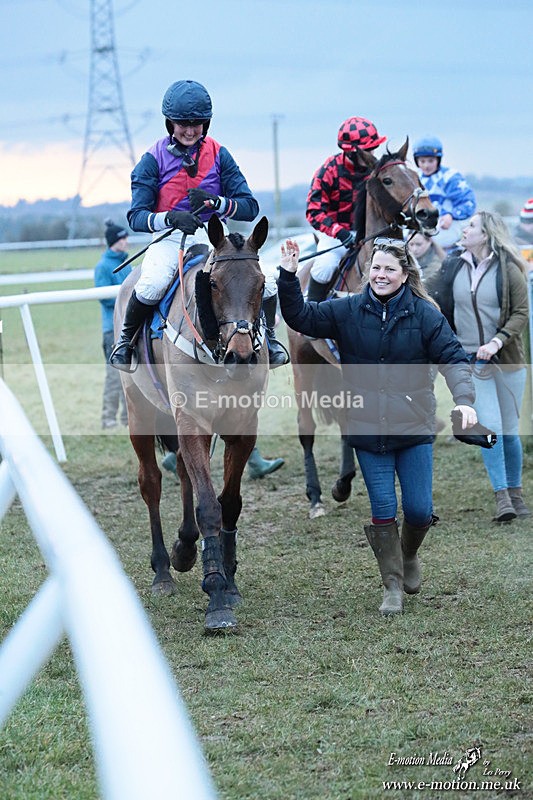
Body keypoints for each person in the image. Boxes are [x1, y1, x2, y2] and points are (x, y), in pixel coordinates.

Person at [277, 237, 477, 616]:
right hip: (367, 430)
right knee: (383, 507)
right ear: (367, 272)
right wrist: (288, 277)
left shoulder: (425, 314)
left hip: (414, 425)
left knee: (419, 510)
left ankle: (408, 553)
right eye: (376, 268)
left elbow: (453, 357)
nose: (381, 275)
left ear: (404, 275)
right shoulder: (348, 309)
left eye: (389, 269)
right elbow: (301, 318)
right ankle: (392, 586)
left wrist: (465, 400)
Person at [110, 79, 287, 370]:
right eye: (183, 124)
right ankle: (125, 342)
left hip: (216, 238)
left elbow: (249, 207)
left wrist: (217, 202)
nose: (191, 130)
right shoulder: (152, 159)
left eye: (197, 123)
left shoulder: (220, 154)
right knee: (152, 284)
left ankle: (269, 340)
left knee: (266, 282)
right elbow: (136, 217)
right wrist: (169, 218)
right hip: (168, 239)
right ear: (170, 123)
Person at [427, 211, 530, 523]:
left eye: (471, 225)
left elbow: (521, 313)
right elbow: (429, 293)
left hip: (508, 359)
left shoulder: (509, 267)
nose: (465, 229)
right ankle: (502, 498)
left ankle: (517, 493)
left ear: (486, 234)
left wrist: (497, 342)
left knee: (510, 432)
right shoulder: (453, 264)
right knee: (491, 428)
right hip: (471, 360)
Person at [305, 116, 387, 303]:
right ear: (351, 153)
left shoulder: (377, 171)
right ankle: (312, 316)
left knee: (409, 263)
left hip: (371, 233)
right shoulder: (329, 170)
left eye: (373, 149)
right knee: (324, 268)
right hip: (336, 234)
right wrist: (340, 232)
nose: (372, 155)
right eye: (367, 151)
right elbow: (313, 211)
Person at [94, 220, 131, 429]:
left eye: (126, 238)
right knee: (114, 375)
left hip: (128, 328)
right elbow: (104, 297)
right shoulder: (103, 266)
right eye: (122, 238)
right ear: (113, 242)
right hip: (112, 329)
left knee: (132, 374)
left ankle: (128, 419)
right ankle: (108, 419)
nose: (126, 241)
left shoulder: (127, 264)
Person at [413, 136, 476, 251]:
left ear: (438, 160)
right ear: (417, 161)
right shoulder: (413, 178)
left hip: (448, 245)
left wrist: (452, 215)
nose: (426, 166)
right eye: (422, 161)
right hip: (419, 246)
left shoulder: (450, 178)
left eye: (430, 161)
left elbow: (469, 203)